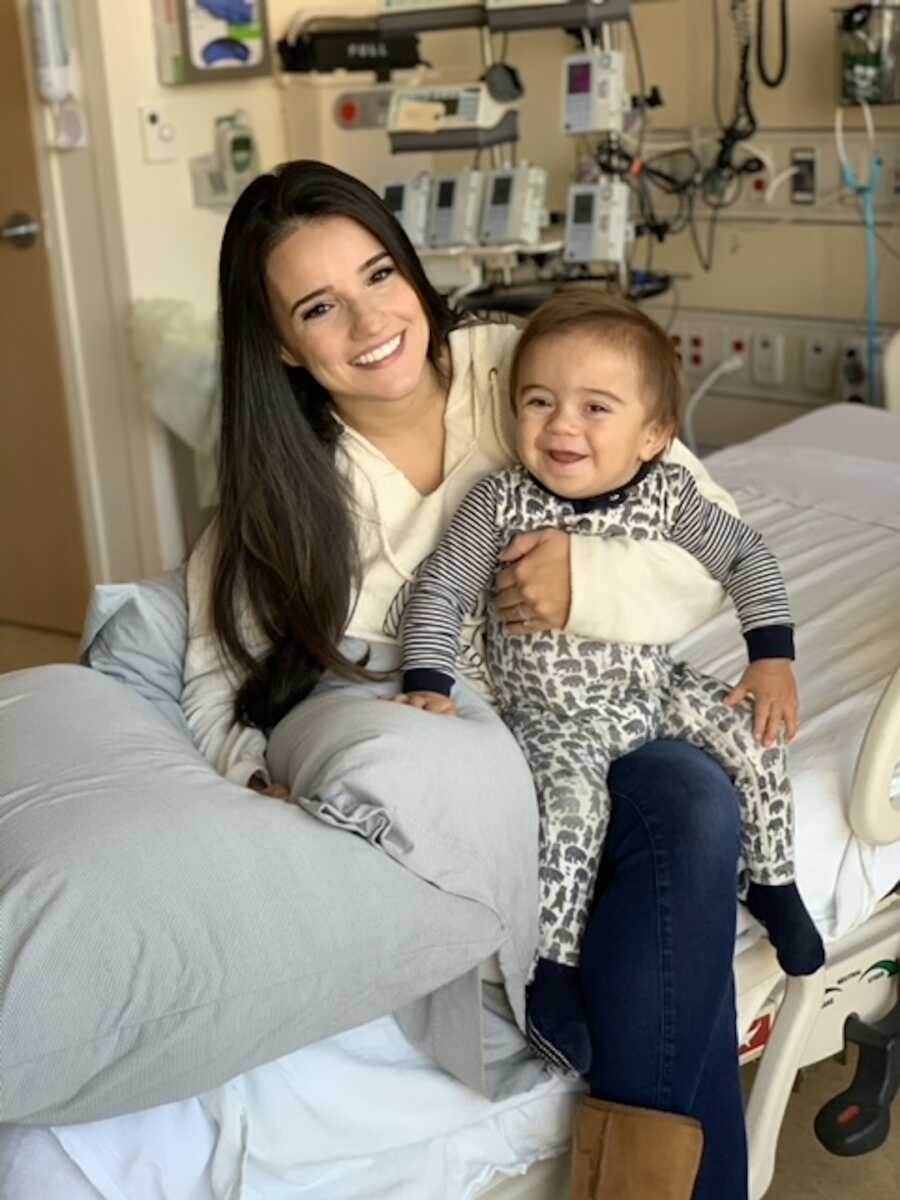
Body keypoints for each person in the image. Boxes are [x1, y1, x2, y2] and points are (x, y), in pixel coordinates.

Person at [182, 159, 749, 1199]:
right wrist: (248, 773)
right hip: (485, 760)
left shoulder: (527, 369)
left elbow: (717, 547)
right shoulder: (285, 494)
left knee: (699, 804)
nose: (370, 324)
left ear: (413, 269)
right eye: (320, 307)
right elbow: (215, 679)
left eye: (380, 275)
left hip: (608, 711)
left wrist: (591, 579)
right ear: (280, 345)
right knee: (670, 948)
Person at [389, 288, 825, 1079]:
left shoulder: (670, 493)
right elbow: (442, 592)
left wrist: (771, 657)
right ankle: (550, 972)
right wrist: (429, 680)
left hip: (650, 686)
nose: (561, 425)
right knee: (572, 815)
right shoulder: (499, 502)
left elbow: (747, 558)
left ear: (653, 435)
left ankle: (774, 881)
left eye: (596, 407)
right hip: (554, 715)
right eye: (539, 401)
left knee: (755, 739)